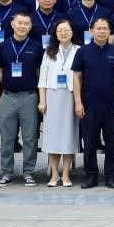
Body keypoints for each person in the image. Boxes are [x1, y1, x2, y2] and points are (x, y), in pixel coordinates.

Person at [71, 16, 114, 189]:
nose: (102, 31)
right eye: (98, 28)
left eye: (105, 28)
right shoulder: (82, 51)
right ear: (91, 31)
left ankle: (111, 176)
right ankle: (90, 176)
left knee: (112, 143)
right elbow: (76, 77)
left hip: (111, 105)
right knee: (89, 143)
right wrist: (78, 102)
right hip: (88, 105)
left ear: (109, 32)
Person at [0, 12, 43, 187]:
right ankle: (7, 173)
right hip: (8, 96)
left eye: (26, 24)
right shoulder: (2, 46)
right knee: (7, 138)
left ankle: (28, 172)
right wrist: (8, 82)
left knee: (30, 137)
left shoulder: (36, 47)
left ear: (30, 27)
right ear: (12, 24)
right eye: (19, 23)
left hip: (29, 97)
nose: (22, 26)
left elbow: (38, 71)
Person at [37, 19, 81, 187]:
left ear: (72, 32)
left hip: (71, 95)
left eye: (66, 30)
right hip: (52, 95)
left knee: (69, 135)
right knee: (52, 137)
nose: (63, 33)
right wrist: (42, 101)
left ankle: (66, 174)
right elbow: (42, 78)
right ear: (55, 34)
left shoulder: (79, 50)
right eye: (60, 30)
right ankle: (54, 174)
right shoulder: (49, 52)